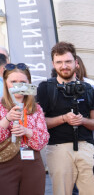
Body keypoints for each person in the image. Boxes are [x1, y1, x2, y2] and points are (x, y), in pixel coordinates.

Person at [36, 42, 94, 195]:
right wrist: (64, 118)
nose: (64, 66)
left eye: (68, 61)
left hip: (86, 147)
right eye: (59, 62)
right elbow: (39, 123)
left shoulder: (88, 89)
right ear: (53, 64)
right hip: (58, 148)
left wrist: (82, 120)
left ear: (76, 63)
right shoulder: (45, 88)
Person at [0, 63, 49, 195]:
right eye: (13, 81)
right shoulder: (0, 106)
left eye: (22, 82)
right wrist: (7, 119)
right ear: (5, 83)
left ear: (29, 83)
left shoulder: (36, 108)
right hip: (5, 161)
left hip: (32, 161)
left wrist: (27, 131)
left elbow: (43, 140)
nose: (18, 85)